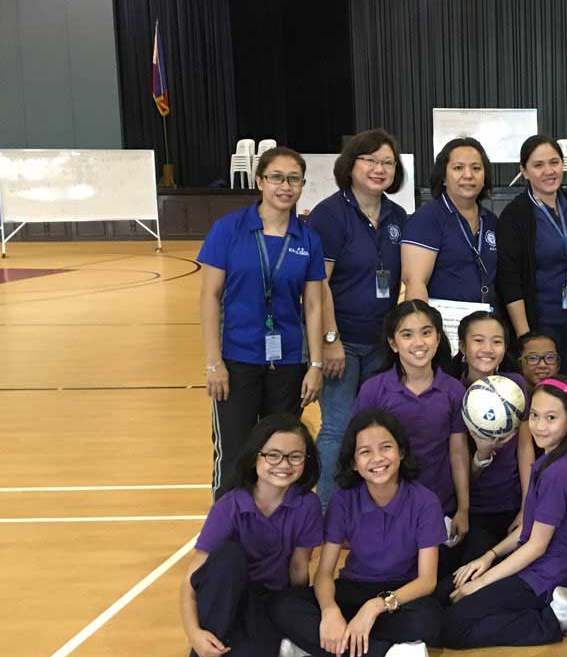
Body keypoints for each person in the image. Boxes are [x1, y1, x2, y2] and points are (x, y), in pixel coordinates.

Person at [269, 409, 446, 657]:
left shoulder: (425, 501)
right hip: (353, 589)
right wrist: (330, 611)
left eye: (386, 447)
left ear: (401, 452)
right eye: (365, 452)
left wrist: (374, 607)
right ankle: (389, 656)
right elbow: (324, 573)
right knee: (283, 605)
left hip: (399, 595)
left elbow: (426, 581)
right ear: (353, 462)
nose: (377, 458)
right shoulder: (343, 500)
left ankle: (312, 645)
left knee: (428, 620)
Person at [198, 146, 326, 498]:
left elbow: (314, 304)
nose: (285, 186)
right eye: (276, 178)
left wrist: (315, 365)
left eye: (294, 179)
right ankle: (228, 526)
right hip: (236, 360)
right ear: (259, 181)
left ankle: (278, 524)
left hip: (288, 364)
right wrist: (213, 363)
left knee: (283, 452)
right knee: (235, 452)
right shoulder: (228, 230)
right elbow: (209, 297)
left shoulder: (307, 239)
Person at [181, 415, 323, 657]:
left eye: (295, 456)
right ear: (255, 456)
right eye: (273, 455)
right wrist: (193, 633)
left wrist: (297, 618)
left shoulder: (307, 505)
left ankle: (273, 643)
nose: (283, 464)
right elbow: (191, 580)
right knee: (229, 556)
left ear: (306, 461)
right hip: (228, 597)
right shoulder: (229, 506)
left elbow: (299, 569)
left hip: (268, 602)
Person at [445, 378, 567, 648]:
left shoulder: (560, 471)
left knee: (456, 624)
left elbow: (537, 545)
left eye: (551, 418)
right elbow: (529, 528)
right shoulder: (548, 460)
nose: (539, 425)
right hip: (534, 567)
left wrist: (482, 583)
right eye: (534, 415)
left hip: (548, 575)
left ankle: (555, 619)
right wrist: (488, 557)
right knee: (450, 595)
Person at [306, 129, 409, 505]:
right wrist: (330, 340)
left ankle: (362, 509)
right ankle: (324, 512)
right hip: (342, 342)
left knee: (373, 429)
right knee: (337, 426)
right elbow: (318, 284)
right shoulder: (330, 215)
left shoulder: (398, 216)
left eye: (388, 162)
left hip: (380, 343)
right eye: (371, 160)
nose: (380, 169)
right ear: (351, 165)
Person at [351, 301, 470, 560]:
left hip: (440, 506)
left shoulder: (453, 391)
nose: (419, 342)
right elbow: (357, 451)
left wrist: (463, 508)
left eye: (426, 332)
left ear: (438, 338)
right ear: (393, 344)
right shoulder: (373, 389)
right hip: (385, 507)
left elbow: (458, 453)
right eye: (407, 334)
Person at [497, 135, 567, 380]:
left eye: (554, 162)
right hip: (540, 324)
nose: (549, 171)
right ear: (524, 171)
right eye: (538, 165)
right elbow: (510, 281)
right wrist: (525, 338)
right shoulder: (514, 216)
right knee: (541, 391)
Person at [447, 310, 529, 561]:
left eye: (497, 341)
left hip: (513, 503)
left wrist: (527, 507)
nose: (488, 349)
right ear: (463, 347)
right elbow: (457, 465)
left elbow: (525, 448)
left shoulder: (516, 385)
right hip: (474, 509)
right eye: (478, 340)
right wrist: (482, 455)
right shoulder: (453, 391)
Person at [401, 136, 499, 308]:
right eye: (458, 168)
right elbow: (415, 284)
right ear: (444, 178)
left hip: (487, 320)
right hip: (444, 321)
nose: (468, 175)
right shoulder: (427, 219)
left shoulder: (491, 221)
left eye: (476, 168)